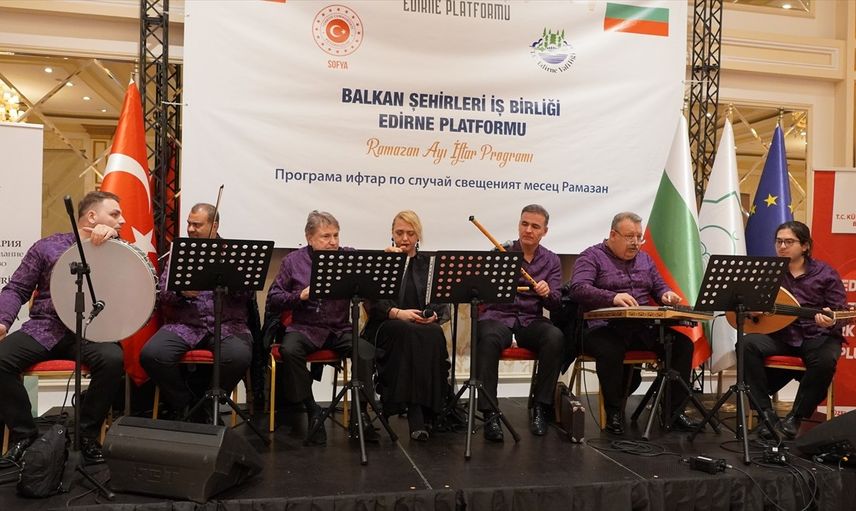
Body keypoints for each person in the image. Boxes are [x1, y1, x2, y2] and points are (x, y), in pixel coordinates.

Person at [0, 191, 126, 465]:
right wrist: (3, 320)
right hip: (44, 328)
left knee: (113, 360)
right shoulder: (46, 247)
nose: (123, 220)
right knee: (1, 359)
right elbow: (17, 288)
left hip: (91, 330)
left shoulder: (119, 249)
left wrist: (115, 241)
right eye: (115, 214)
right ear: (91, 216)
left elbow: (133, 284)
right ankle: (24, 434)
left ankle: (87, 434)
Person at [568, 211, 701, 435]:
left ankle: (673, 412)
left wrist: (666, 294)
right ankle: (614, 413)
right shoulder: (591, 256)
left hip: (640, 328)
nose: (636, 243)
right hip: (602, 328)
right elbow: (578, 289)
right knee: (611, 349)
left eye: (639, 237)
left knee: (682, 344)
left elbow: (659, 287)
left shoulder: (645, 259)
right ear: (613, 235)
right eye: (630, 237)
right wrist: (612, 297)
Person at [267, 210, 377, 445]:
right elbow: (273, 298)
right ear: (309, 237)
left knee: (365, 351)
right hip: (305, 328)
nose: (333, 242)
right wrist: (300, 296)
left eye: (336, 235)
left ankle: (361, 414)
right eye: (326, 236)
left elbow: (370, 286)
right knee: (289, 350)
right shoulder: (293, 261)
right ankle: (312, 408)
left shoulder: (349, 257)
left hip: (339, 329)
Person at [140, 203, 253, 422]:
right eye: (189, 224)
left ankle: (209, 403)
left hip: (227, 325)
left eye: (197, 225)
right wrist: (180, 292)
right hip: (185, 325)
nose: (190, 229)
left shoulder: (233, 253)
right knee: (152, 354)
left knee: (238, 356)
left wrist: (233, 284)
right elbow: (162, 293)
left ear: (214, 226)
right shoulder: (180, 252)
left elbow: (247, 295)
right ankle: (187, 405)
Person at [744, 221, 847, 440]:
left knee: (825, 359)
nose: (782, 246)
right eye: (779, 241)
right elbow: (750, 306)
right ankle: (766, 415)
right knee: (746, 345)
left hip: (816, 335)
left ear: (805, 246)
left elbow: (842, 312)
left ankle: (795, 417)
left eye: (789, 242)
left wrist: (830, 321)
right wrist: (753, 311)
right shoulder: (769, 272)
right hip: (780, 335)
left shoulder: (826, 273)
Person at [475, 204, 565, 441]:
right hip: (498, 316)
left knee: (554, 337)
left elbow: (556, 303)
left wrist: (547, 292)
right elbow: (481, 293)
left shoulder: (551, 260)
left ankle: (541, 408)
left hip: (530, 320)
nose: (528, 230)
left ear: (544, 231)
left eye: (535, 226)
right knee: (487, 338)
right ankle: (490, 414)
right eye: (524, 224)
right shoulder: (500, 253)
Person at [363, 211, 450, 441]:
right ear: (392, 234)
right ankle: (416, 415)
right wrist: (398, 313)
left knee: (434, 332)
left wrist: (432, 316)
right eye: (399, 233)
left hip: (419, 327)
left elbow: (440, 302)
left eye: (410, 233)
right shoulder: (383, 262)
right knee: (407, 331)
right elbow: (372, 303)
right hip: (386, 326)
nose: (404, 238)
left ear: (418, 236)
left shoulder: (428, 264)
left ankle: (429, 410)